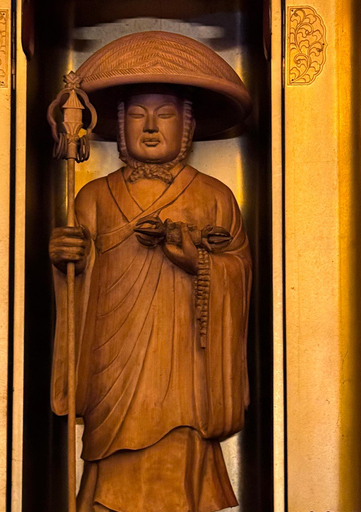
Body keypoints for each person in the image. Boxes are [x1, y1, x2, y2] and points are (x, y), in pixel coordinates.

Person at [48, 31, 252, 512]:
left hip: (185, 366)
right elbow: (79, 282)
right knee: (110, 478)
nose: (151, 126)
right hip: (113, 358)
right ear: (120, 127)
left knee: (179, 468)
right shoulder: (93, 197)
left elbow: (238, 271)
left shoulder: (214, 195)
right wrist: (68, 259)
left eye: (165, 115)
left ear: (187, 127)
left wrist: (198, 261)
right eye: (138, 115)